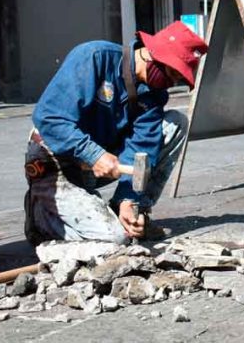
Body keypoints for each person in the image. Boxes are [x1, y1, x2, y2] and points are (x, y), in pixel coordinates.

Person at [23, 21, 207, 245]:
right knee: (114, 238)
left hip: (98, 168)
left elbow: (142, 149)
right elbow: (49, 118)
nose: (171, 83)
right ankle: (41, 217)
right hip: (54, 162)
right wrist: (93, 154)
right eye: (172, 74)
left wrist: (129, 199)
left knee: (175, 123)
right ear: (153, 55)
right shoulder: (94, 57)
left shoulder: (153, 95)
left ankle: (125, 211)